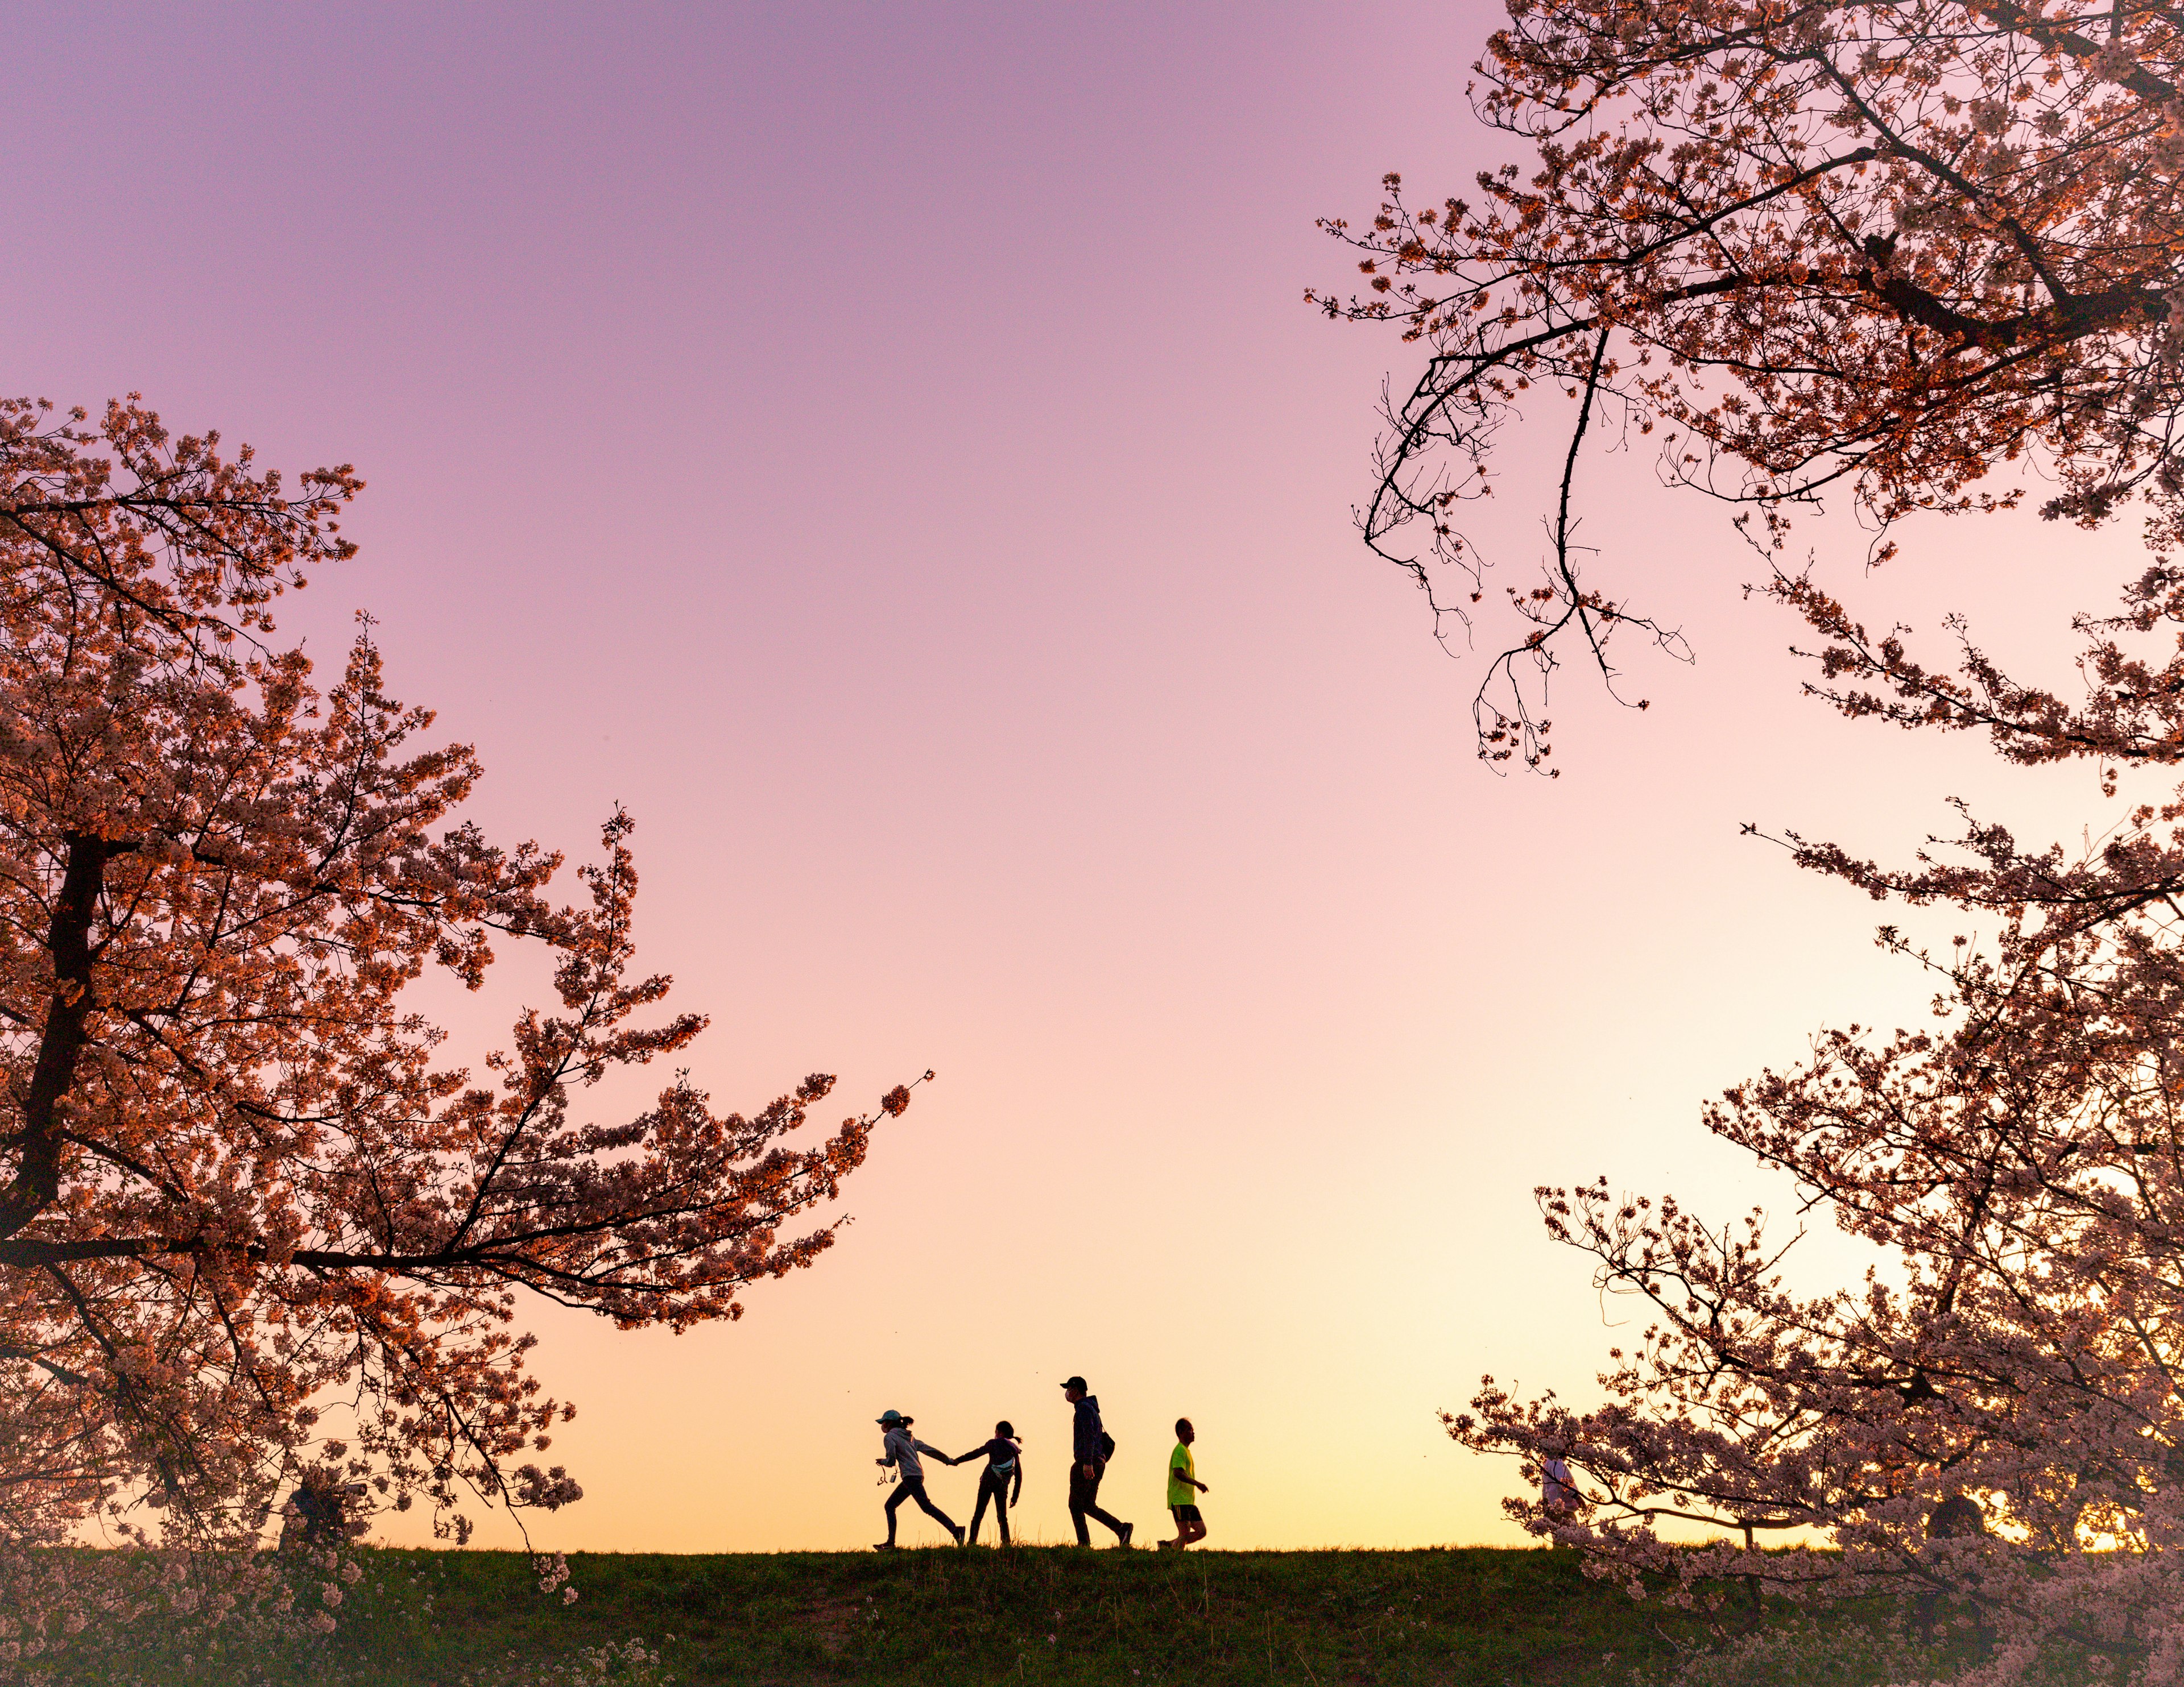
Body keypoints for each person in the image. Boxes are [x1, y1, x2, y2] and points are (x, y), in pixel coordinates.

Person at [873, 1408, 964, 1549]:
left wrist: (883, 1461)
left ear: (889, 1423)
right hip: (917, 1475)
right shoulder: (910, 1438)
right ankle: (890, 1543)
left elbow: (891, 1461)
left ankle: (956, 1530)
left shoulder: (890, 1437)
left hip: (910, 1477)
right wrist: (948, 1460)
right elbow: (930, 1450)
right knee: (890, 1506)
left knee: (927, 1507)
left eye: (884, 1422)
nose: (883, 1426)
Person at [1060, 1375, 1131, 1548]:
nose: (1067, 1393)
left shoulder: (1084, 1408)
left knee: (1075, 1504)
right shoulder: (1091, 1408)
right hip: (1099, 1461)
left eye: (1069, 1389)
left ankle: (1084, 1544)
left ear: (1076, 1390)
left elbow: (1089, 1436)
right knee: (1088, 1505)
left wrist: (1087, 1463)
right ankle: (1122, 1529)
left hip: (1089, 1461)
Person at [953, 1420, 1024, 1545]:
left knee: (978, 1514)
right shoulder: (1014, 1450)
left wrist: (958, 1460)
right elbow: (1019, 1475)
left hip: (987, 1482)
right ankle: (1006, 1544)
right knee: (1002, 1517)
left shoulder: (993, 1444)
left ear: (1000, 1433)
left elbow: (975, 1454)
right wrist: (1015, 1496)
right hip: (1002, 1486)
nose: (995, 1434)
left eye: (996, 1432)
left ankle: (972, 1542)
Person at [1160, 1417, 1209, 1549]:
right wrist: (1197, 1484)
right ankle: (1176, 1560)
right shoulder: (1180, 1450)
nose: (1193, 1433)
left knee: (1201, 1531)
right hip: (1179, 1499)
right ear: (1181, 1432)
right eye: (1190, 1430)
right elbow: (1178, 1472)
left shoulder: (1186, 1451)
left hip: (1188, 1501)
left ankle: (1168, 1545)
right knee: (1184, 1533)